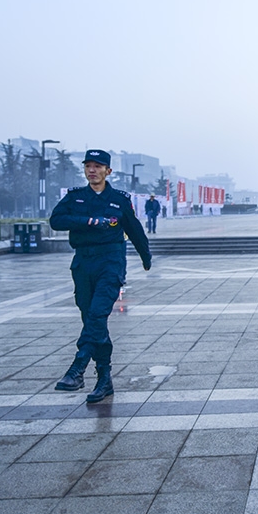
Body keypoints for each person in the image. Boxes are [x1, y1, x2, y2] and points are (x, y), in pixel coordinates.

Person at [50, 149, 152, 403]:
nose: (92, 170)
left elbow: (135, 229)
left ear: (108, 171)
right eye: (88, 166)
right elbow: (56, 220)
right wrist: (88, 221)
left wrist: (145, 256)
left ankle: (78, 366)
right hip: (83, 263)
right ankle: (104, 379)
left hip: (111, 262)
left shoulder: (119, 199)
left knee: (97, 314)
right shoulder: (76, 198)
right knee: (92, 321)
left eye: (98, 166)